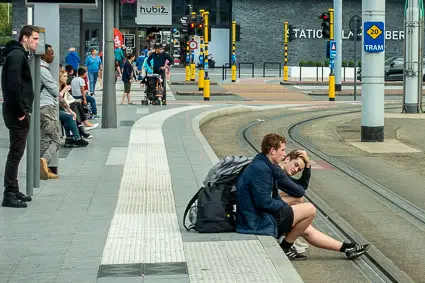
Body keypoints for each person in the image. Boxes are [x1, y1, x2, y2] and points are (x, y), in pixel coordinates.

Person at [236, 133, 370, 260]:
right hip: (256, 222)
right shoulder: (261, 168)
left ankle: (347, 248)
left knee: (305, 228)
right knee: (309, 209)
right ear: (272, 150)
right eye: (282, 150)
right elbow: (263, 203)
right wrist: (284, 206)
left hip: (259, 217)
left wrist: (307, 166)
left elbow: (298, 190)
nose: (284, 153)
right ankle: (285, 247)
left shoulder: (268, 165)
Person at [1, 25, 40, 208]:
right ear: (25, 38)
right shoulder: (16, 56)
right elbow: (13, 86)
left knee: (17, 152)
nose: (37, 42)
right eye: (35, 38)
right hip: (16, 113)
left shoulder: (18, 55)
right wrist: (21, 114)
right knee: (15, 153)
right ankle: (9, 192)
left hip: (18, 111)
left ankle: (13, 189)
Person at [39, 44, 61, 180]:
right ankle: (45, 161)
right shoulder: (42, 69)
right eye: (51, 53)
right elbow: (54, 89)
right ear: (44, 55)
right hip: (47, 106)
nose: (53, 56)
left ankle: (43, 170)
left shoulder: (39, 68)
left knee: (44, 138)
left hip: (41, 108)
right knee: (56, 139)